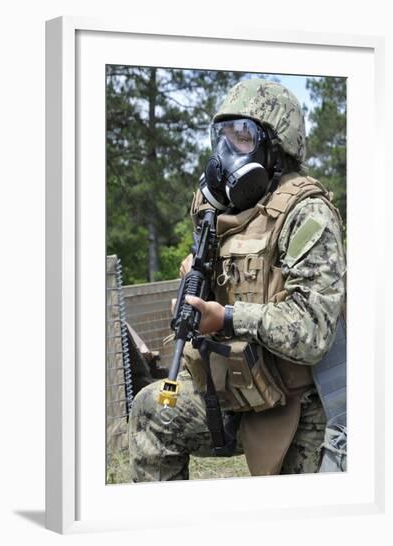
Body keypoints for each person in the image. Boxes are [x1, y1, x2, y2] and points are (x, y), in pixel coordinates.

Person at [128, 78, 346, 482]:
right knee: (152, 411)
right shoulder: (224, 211)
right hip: (236, 389)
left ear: (275, 147)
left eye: (242, 138)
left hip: (302, 405)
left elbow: (314, 332)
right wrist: (195, 295)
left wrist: (226, 317)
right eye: (222, 138)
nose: (227, 152)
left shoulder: (307, 214)